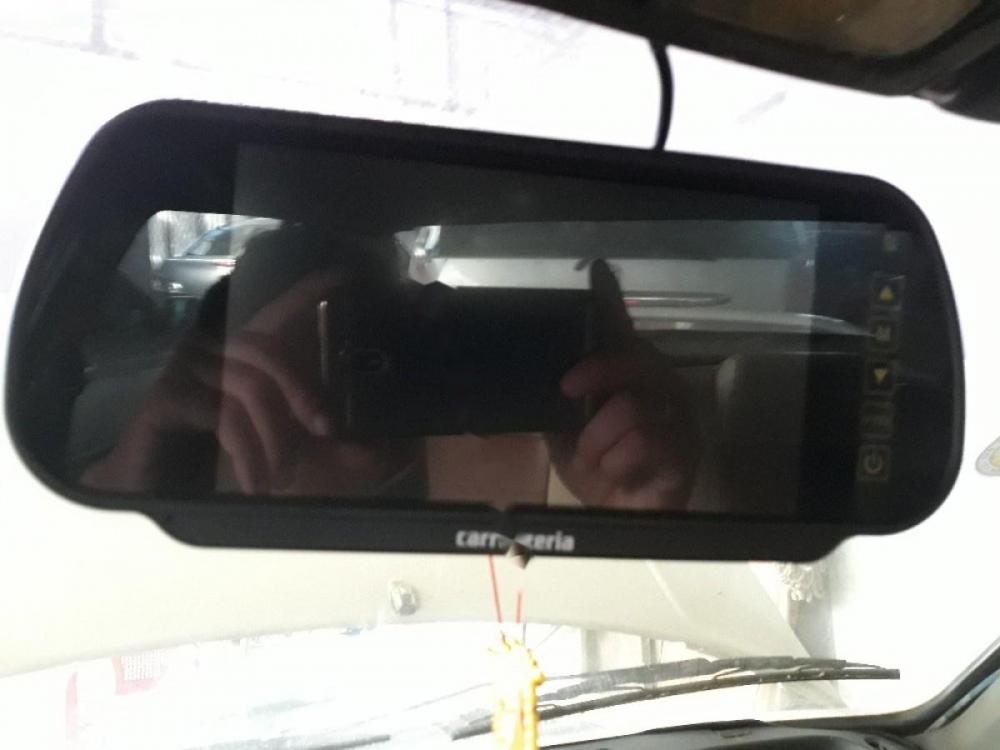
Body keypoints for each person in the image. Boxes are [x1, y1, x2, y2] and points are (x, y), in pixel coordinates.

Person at [82, 225, 698, 511]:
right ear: (224, 379)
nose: (338, 374)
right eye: (303, 346)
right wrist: (127, 489)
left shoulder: (552, 467)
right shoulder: (181, 487)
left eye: (376, 332)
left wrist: (639, 526)